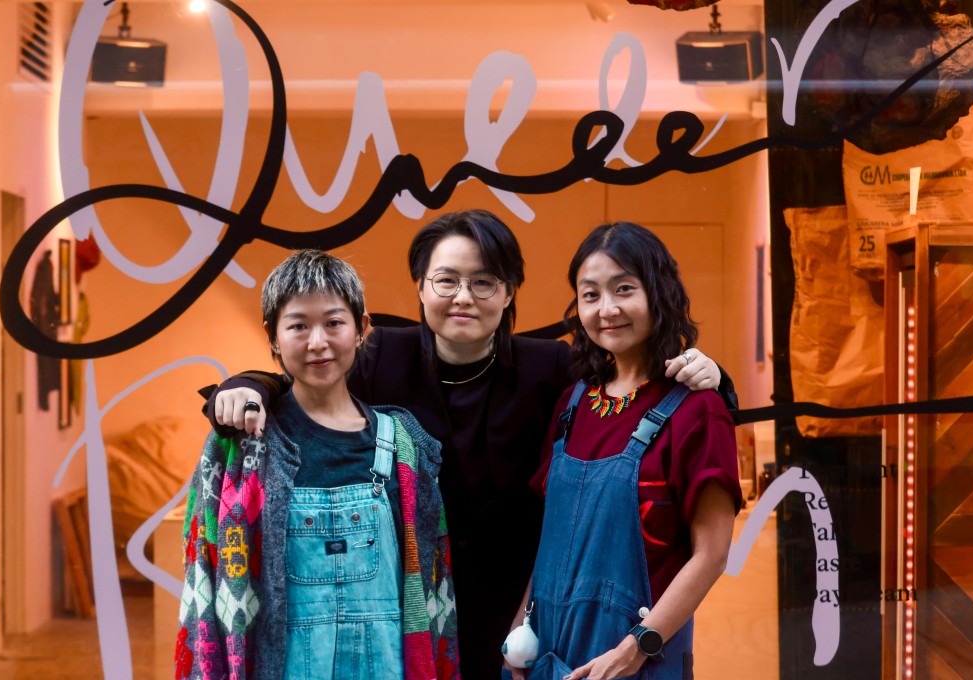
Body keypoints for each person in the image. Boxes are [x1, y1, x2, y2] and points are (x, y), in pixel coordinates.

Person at [201, 210, 734, 677]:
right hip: (406, 598)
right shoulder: (381, 354)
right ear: (420, 287)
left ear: (508, 293)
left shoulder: (549, 366)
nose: (463, 297)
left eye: (484, 282)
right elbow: (310, 370)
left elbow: (639, 380)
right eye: (446, 280)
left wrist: (714, 375)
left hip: (521, 606)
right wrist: (247, 384)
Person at [178, 250, 459, 680]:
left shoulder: (403, 445)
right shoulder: (243, 450)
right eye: (298, 326)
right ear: (273, 336)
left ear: (362, 328)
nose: (317, 342)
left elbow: (434, 588)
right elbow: (204, 575)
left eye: (333, 322)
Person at [504, 223, 740, 680]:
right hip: (545, 657)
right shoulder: (572, 405)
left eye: (624, 289)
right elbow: (553, 543)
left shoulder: (697, 410)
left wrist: (635, 649)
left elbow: (712, 555)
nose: (607, 309)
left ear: (659, 293)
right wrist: (519, 632)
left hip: (634, 663)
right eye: (590, 295)